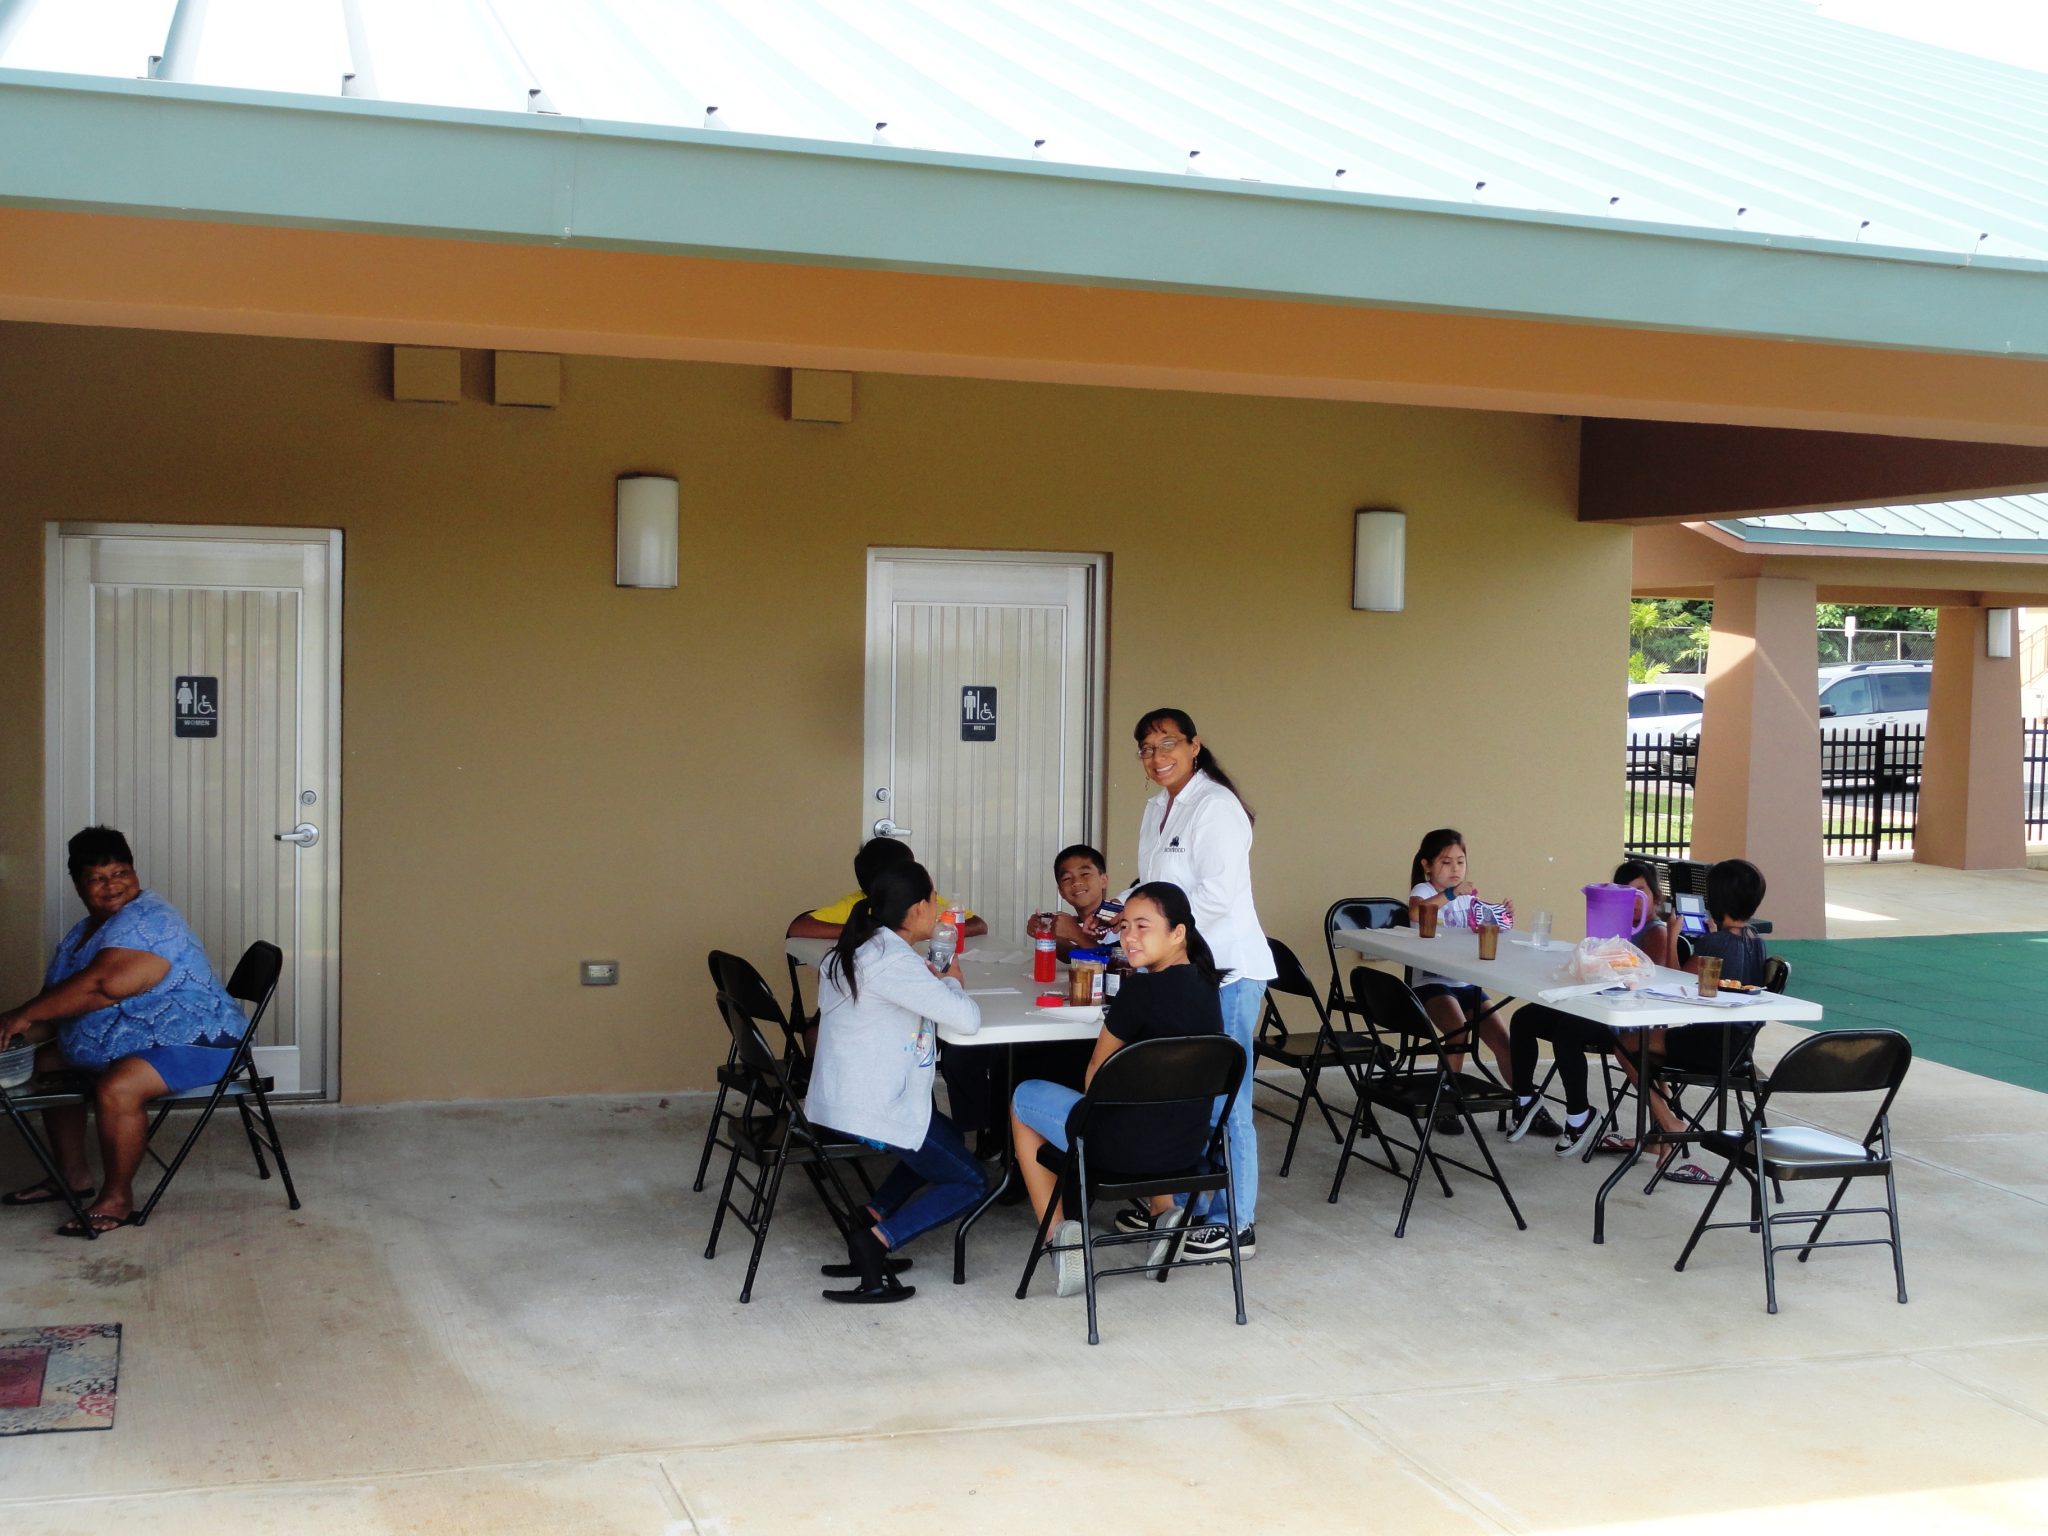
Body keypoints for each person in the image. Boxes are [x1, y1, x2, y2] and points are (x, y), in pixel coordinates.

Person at [0, 827, 249, 1236]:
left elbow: (104, 987)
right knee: (44, 1065)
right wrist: (12, 1031)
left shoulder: (151, 919)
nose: (112, 885)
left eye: (120, 872)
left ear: (134, 871)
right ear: (78, 885)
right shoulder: (82, 933)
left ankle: (118, 1198)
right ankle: (72, 1176)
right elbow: (57, 1007)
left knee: (119, 1087)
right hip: (130, 1033)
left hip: (199, 1039)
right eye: (97, 878)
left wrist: (22, 1014)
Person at [1010, 882, 1226, 1297]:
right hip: (1185, 1148)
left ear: (1178, 932)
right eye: (1125, 926)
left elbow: (1096, 1073)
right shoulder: (1206, 987)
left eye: (1143, 926)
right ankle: (1165, 1211)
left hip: (1116, 1152)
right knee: (1156, 1104)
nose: (1129, 936)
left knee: (1023, 1097)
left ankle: (1060, 1239)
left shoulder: (1140, 991)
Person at [1112, 708, 1272, 1261]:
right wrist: (1123, 913)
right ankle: (1191, 1207)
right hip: (1187, 973)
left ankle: (1236, 1224)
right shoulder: (1158, 806)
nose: (1157, 758)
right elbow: (1157, 888)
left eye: (1168, 744)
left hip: (1228, 973)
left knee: (1229, 1103)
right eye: (1147, 749)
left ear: (1195, 745)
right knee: (1188, 1098)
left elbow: (1215, 897)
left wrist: (1151, 934)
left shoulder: (1217, 807)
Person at [805, 859, 987, 1303]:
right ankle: (879, 1242)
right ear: (917, 910)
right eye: (934, 899)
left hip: (839, 1098)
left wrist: (928, 982)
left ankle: (868, 1218)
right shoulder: (892, 962)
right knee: (972, 1182)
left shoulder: (859, 950)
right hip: (871, 1107)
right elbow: (966, 1021)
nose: (938, 907)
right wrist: (953, 983)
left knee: (946, 1140)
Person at [1591, 858, 1773, 1185]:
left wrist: (1674, 933)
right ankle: (1663, 1132)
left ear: (1716, 900)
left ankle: (1669, 1123)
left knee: (1626, 1043)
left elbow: (1676, 985)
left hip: (1709, 1044)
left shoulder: (1715, 943)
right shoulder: (1756, 942)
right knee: (1650, 1041)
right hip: (1740, 1049)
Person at [1506, 859, 1677, 1156]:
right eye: (1626, 893)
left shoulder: (1655, 932)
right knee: (1524, 1019)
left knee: (1567, 1034)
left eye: (1640, 892)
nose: (1634, 901)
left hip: (1623, 1018)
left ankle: (1580, 1116)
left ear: (1655, 897)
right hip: (1595, 1003)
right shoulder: (1613, 926)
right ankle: (1524, 1099)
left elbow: (1650, 981)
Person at [1406, 829, 1513, 1130]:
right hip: (1431, 982)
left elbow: (1479, 928)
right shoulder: (1425, 891)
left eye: (1460, 862)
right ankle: (1446, 1103)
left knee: (1502, 1040)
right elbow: (1416, 912)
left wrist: (1500, 916)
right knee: (1456, 1032)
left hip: (1465, 982)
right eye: (1446, 862)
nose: (1455, 869)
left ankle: (1526, 1102)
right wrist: (1451, 894)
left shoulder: (1468, 898)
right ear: (1428, 865)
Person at [787, 836, 986, 940]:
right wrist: (868, 933)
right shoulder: (856, 904)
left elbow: (978, 925)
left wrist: (933, 931)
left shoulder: (925, 899)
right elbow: (798, 927)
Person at [1038, 843, 1117, 961]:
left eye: (1085, 874)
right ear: (1061, 892)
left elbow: (1114, 966)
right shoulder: (1076, 922)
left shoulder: (1122, 920)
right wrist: (1047, 933)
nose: (1076, 882)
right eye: (1067, 878)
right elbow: (1072, 956)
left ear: (1104, 880)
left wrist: (1076, 934)